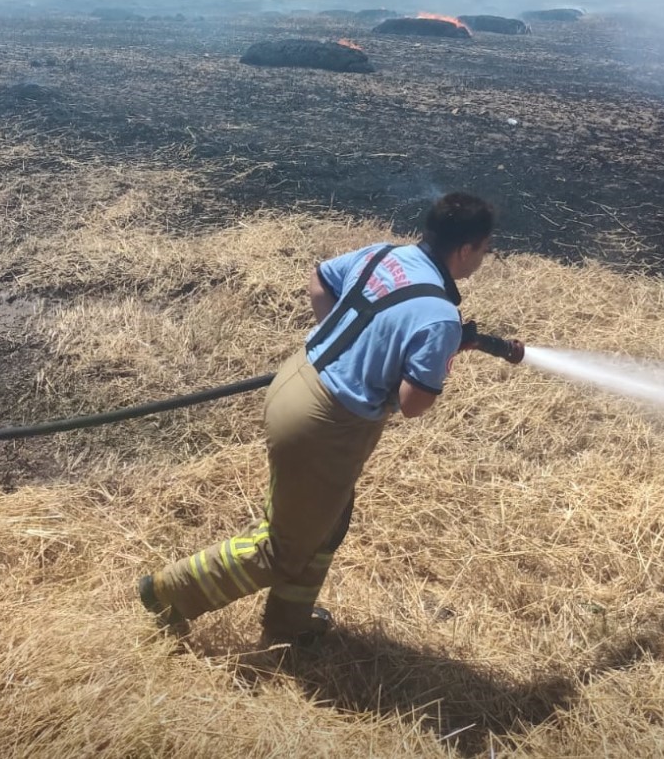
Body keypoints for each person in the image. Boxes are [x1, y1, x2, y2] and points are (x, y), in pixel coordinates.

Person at [138, 191, 523, 646]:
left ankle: (287, 626)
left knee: (327, 523)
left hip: (297, 379)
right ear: (465, 249)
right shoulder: (440, 319)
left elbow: (321, 280)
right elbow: (414, 403)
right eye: (485, 249)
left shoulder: (386, 255)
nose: (483, 258)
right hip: (325, 424)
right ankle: (169, 593)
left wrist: (345, 347)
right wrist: (441, 356)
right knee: (281, 549)